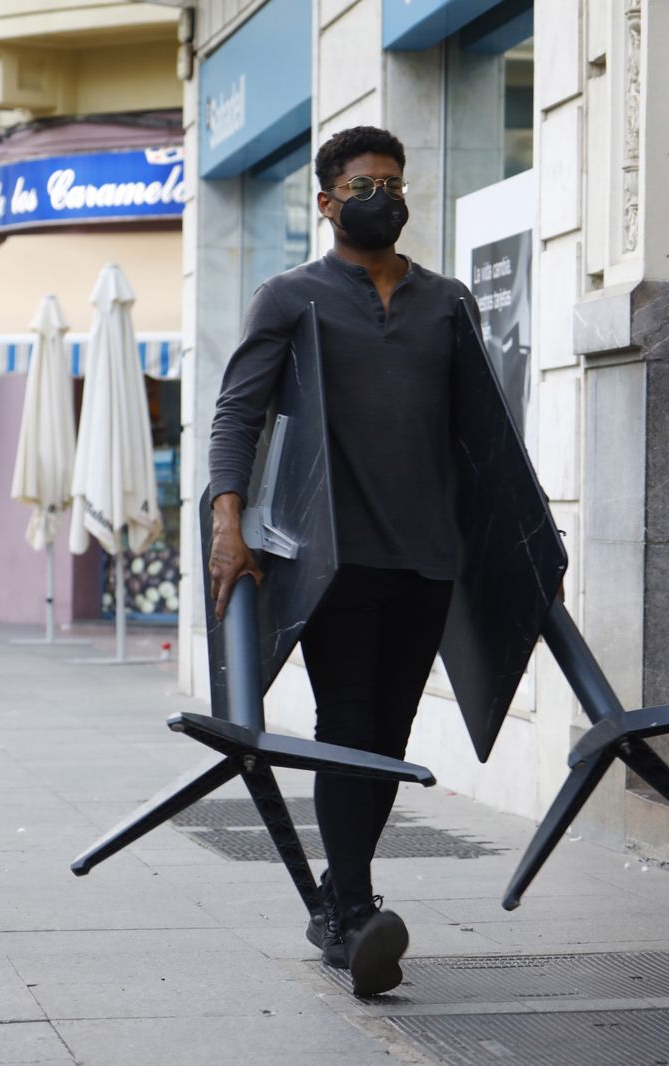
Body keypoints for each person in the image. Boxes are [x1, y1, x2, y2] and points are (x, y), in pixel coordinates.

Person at [208, 126, 478, 997]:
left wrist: (519, 546)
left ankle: (336, 902)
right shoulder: (289, 296)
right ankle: (354, 910)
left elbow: (483, 437)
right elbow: (236, 415)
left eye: (394, 184)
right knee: (347, 727)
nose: (383, 197)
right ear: (326, 203)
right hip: (337, 560)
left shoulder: (448, 303)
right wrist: (227, 520)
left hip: (429, 555)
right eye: (364, 186)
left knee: (388, 738)